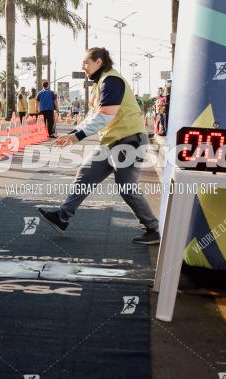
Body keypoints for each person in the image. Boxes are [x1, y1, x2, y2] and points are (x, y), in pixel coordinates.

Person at [37, 47, 160, 245]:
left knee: (126, 187)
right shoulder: (100, 85)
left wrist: (77, 137)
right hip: (111, 142)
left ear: (98, 62)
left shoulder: (112, 81)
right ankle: (62, 217)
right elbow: (92, 117)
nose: (82, 66)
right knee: (86, 172)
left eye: (86, 62)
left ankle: (153, 229)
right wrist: (71, 134)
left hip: (129, 140)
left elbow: (105, 115)